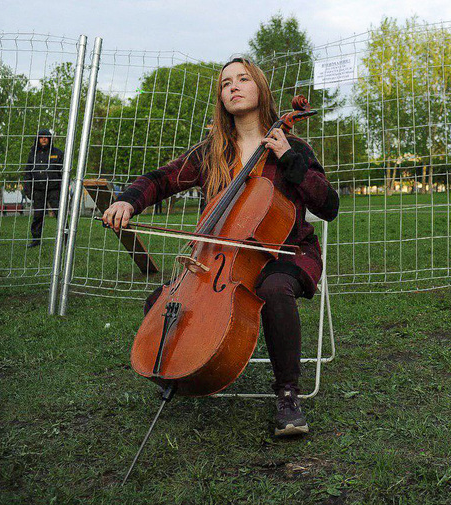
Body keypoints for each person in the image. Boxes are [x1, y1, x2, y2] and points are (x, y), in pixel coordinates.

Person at [102, 57, 339, 437]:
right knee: (162, 303)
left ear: (260, 88)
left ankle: (288, 395)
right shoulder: (212, 151)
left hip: (288, 251)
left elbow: (328, 205)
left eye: (243, 78)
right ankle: (184, 369)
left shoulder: (293, 146)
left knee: (275, 290)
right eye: (226, 82)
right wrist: (129, 200)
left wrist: (289, 159)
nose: (234, 86)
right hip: (220, 260)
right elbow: (161, 180)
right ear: (221, 98)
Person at [23, 129, 64, 247]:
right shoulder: (33, 153)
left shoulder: (58, 152)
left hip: (54, 189)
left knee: (59, 214)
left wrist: (63, 189)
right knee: (38, 215)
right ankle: (36, 239)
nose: (44, 139)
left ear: (50, 139)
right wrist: (28, 189)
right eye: (41, 137)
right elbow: (28, 173)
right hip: (38, 190)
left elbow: (63, 173)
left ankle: (66, 238)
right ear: (38, 139)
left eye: (46, 137)